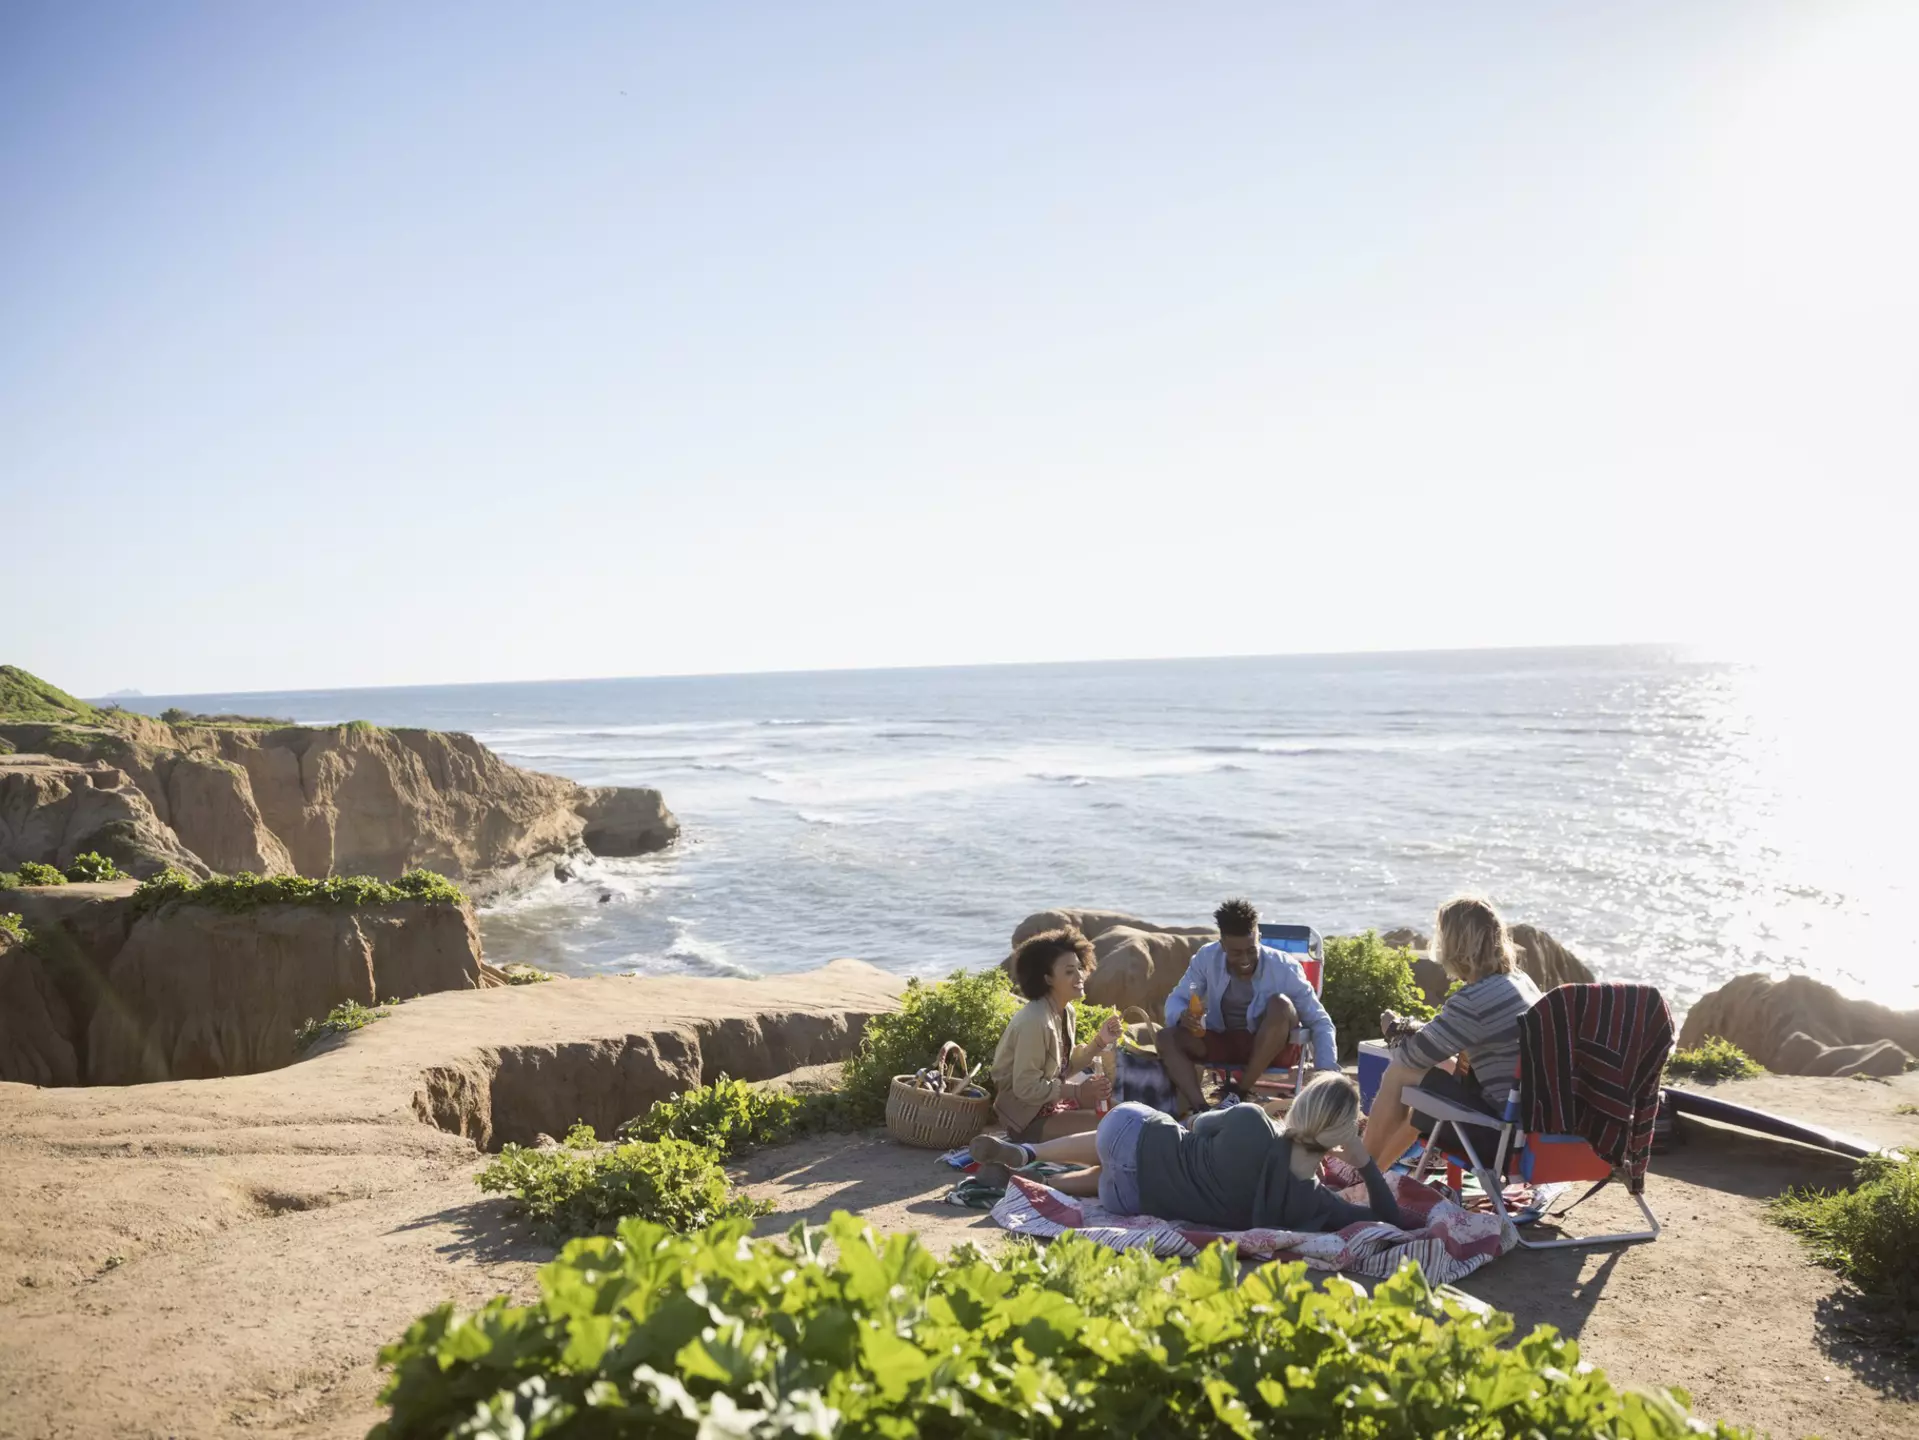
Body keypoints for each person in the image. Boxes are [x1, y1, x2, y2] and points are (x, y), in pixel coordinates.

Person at [972, 1071, 1403, 1232]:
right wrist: (1364, 1162)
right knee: (1119, 1177)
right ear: (1341, 1137)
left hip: (1126, 1136)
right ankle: (1037, 1181)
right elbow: (1387, 1219)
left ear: (1302, 1105)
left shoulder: (1252, 1121)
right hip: (1129, 1201)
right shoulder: (1311, 1202)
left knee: (1140, 1139)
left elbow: (1195, 1123)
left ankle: (1030, 1152)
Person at [1362, 893, 1543, 1172]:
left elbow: (1411, 1057)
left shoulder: (1474, 1001)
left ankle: (1360, 1169)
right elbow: (1439, 1040)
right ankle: (1374, 1175)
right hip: (1535, 1130)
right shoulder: (1519, 981)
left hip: (1502, 1139)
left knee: (1401, 1072)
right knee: (1437, 1081)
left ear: (1454, 945)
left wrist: (1394, 1030)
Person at [1158, 897, 1339, 1114]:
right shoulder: (1206, 958)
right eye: (1236, 952)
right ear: (1222, 943)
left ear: (1259, 937)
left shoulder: (1284, 967)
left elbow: (1319, 1021)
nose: (1245, 959)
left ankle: (1239, 1093)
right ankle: (1202, 1110)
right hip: (1224, 1041)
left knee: (1280, 1005)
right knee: (1166, 1037)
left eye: (1251, 950)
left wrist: (1327, 1073)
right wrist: (1182, 1015)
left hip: (1272, 1047)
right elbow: (1177, 999)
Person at [989, 926, 1124, 1141]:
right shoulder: (1034, 1021)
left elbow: (1063, 1069)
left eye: (1080, 967)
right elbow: (1026, 1087)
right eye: (1069, 971)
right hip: (1027, 1120)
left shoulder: (1065, 1011)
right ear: (1048, 979)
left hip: (1051, 1104)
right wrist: (1078, 1092)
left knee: (1126, 1113)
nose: (1080, 975)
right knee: (1118, 1126)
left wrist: (1100, 1041)